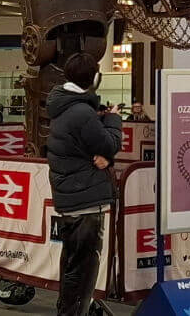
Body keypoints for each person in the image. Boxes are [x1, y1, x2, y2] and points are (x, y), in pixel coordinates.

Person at [46, 53, 123, 316]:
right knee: (83, 273)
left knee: (72, 266)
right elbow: (109, 144)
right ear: (93, 79)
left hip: (71, 200)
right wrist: (113, 120)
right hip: (86, 203)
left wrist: (104, 157)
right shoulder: (81, 112)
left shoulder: (64, 107)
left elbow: (87, 147)